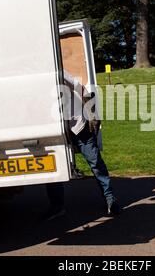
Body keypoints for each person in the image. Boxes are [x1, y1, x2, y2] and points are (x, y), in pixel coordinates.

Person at [44, 71, 121, 220]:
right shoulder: (35, 80)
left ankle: (110, 200)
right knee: (53, 168)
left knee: (95, 162)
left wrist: (92, 115)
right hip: (56, 131)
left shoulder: (58, 72)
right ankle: (57, 207)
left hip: (78, 126)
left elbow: (83, 90)